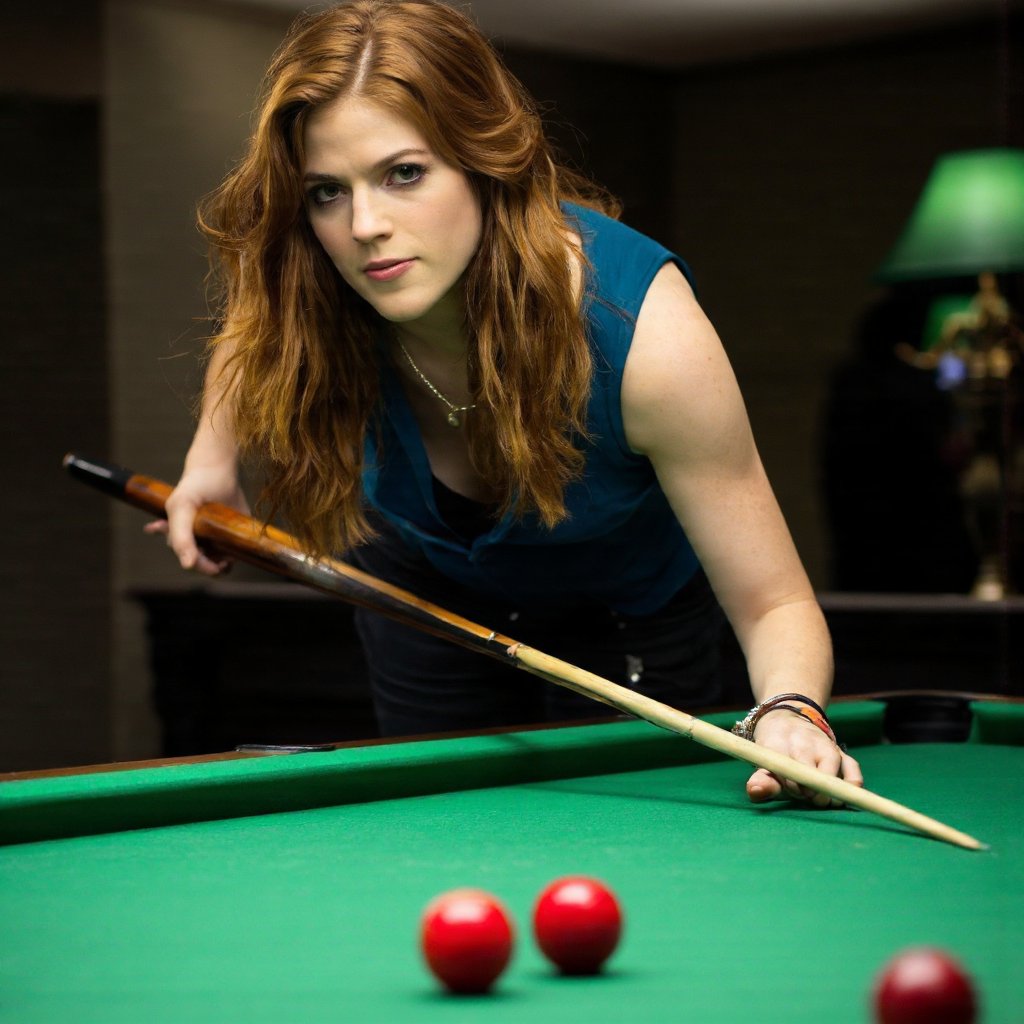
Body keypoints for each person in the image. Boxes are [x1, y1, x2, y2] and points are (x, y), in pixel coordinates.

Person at [147, 0, 863, 806]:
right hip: (424, 600)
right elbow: (258, 321)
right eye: (326, 192)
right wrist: (210, 459)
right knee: (442, 834)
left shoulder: (646, 338)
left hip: (627, 623)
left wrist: (793, 708)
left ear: (485, 160)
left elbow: (775, 600)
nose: (366, 225)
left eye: (404, 173)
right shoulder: (319, 277)